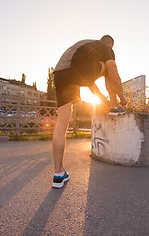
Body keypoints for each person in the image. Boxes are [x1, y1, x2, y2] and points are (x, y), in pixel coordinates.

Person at [52, 35, 127, 189]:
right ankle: (115, 106)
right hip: (75, 70)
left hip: (60, 74)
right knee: (109, 67)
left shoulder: (88, 49)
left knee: (62, 122)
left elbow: (89, 83)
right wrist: (122, 98)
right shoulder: (106, 48)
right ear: (111, 45)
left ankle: (58, 174)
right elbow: (112, 72)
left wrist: (102, 100)